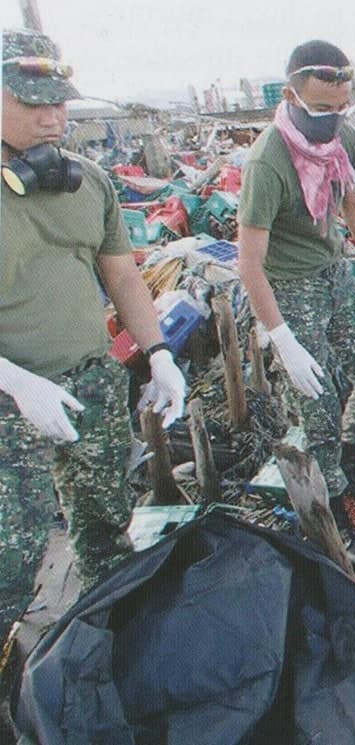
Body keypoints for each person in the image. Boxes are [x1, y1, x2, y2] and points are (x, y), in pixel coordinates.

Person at [0, 29, 187, 641]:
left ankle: (107, 643)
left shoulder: (88, 182)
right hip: (8, 398)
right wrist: (18, 382)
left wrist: (159, 352)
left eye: (59, 103)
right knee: (12, 555)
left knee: (105, 525)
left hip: (88, 381)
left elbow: (124, 277)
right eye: (32, 103)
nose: (53, 117)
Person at [238, 40, 355, 572]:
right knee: (318, 405)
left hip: (333, 273)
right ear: (290, 95)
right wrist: (280, 337)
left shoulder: (342, 137)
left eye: (339, 108)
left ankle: (350, 466)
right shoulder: (268, 161)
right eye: (318, 108)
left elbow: (351, 199)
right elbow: (249, 263)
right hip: (288, 286)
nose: (330, 120)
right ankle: (333, 511)